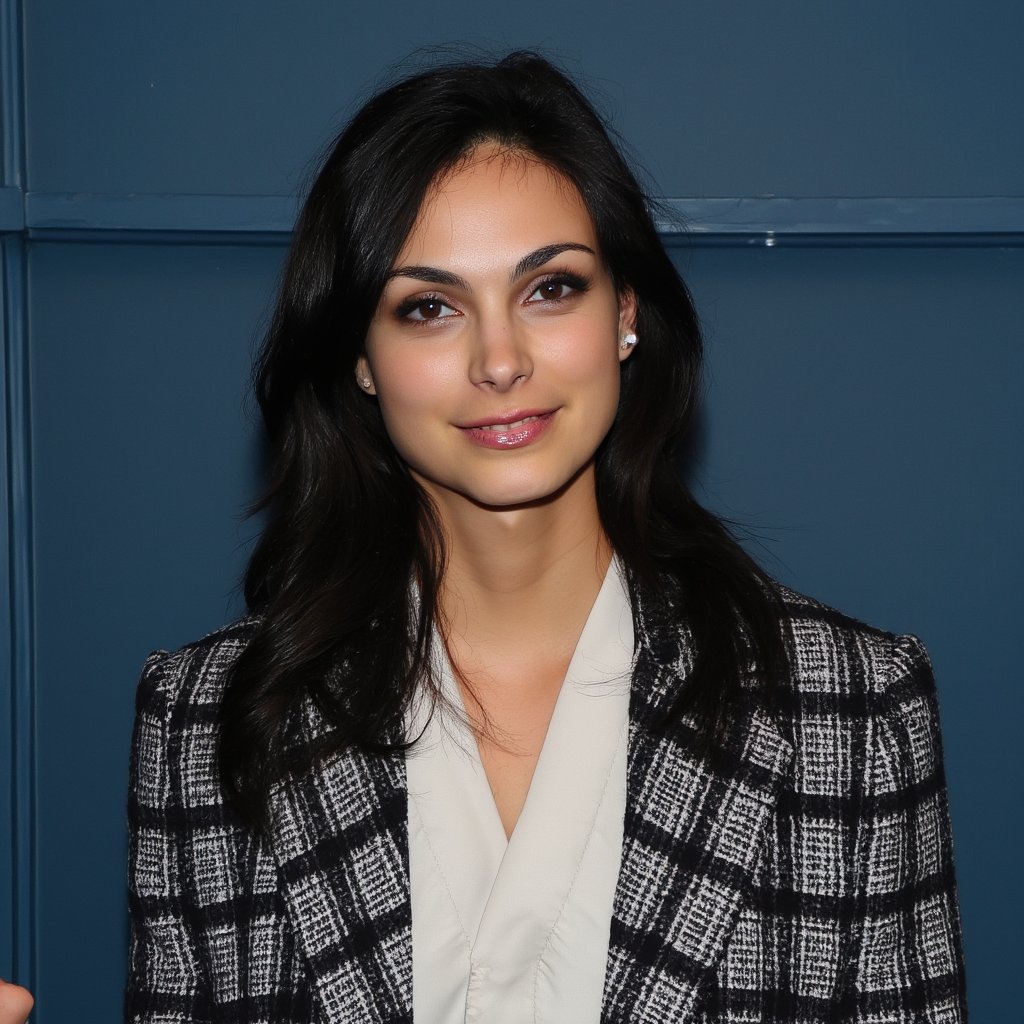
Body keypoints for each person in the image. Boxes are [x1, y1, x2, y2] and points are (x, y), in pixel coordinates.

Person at [122, 52, 966, 1023]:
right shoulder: (206, 723)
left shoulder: (849, 712)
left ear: (625, 314)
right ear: (361, 358)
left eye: (549, 288)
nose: (499, 360)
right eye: (428, 306)